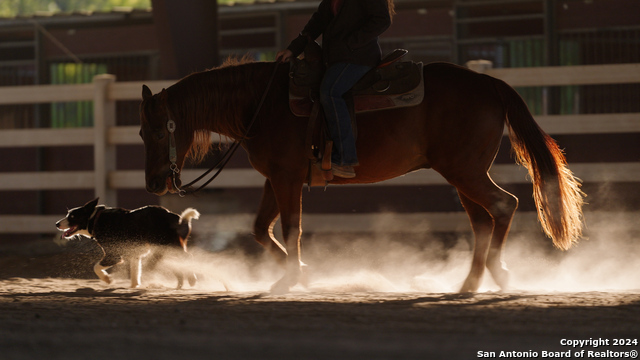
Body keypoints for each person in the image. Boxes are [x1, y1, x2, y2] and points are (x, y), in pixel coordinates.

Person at [276, 0, 394, 178]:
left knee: (330, 92)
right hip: (337, 58)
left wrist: (351, 42)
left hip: (359, 57)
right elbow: (316, 24)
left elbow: (382, 20)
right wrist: (292, 50)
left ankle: (345, 159)